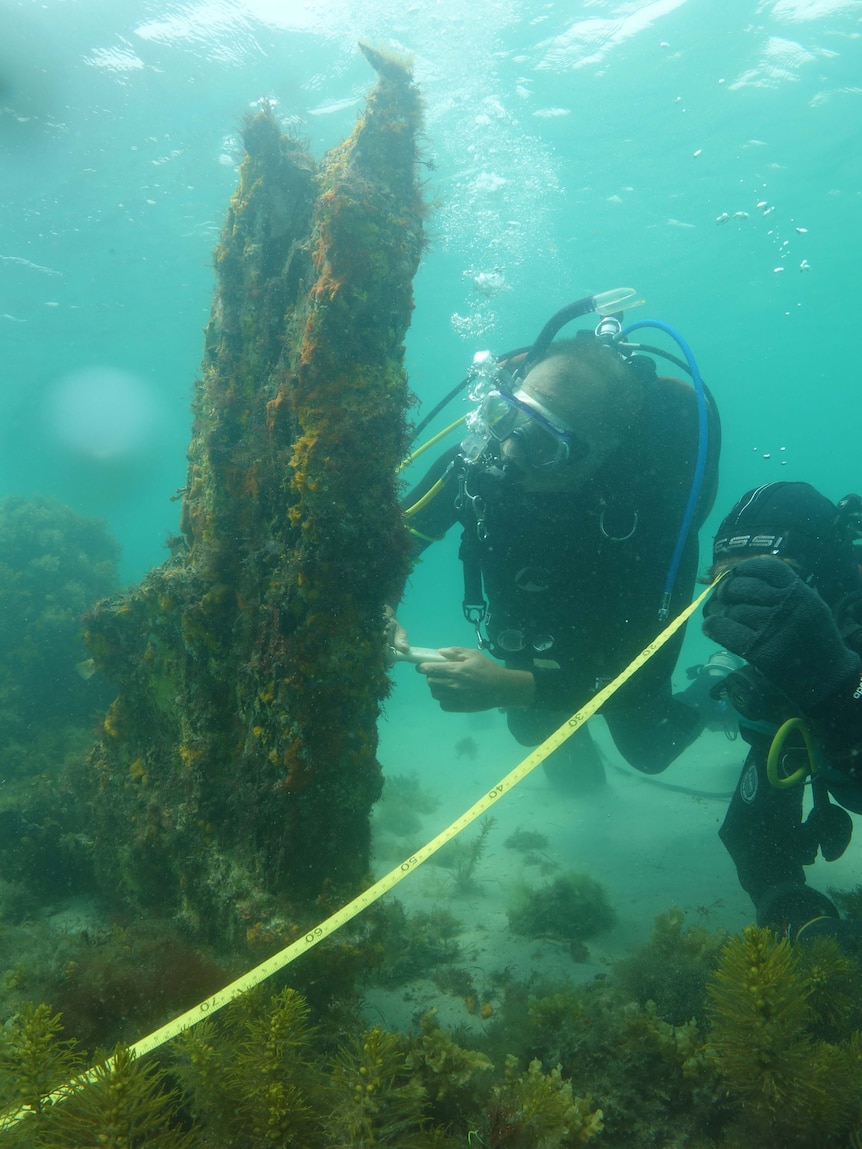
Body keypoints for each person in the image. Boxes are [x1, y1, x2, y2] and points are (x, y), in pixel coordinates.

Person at [390, 294, 722, 787]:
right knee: (530, 731)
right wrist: (380, 601)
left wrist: (509, 684)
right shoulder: (478, 465)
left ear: (601, 453)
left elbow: (633, 680)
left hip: (613, 646)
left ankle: (718, 684)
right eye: (508, 418)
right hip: (532, 629)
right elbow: (395, 544)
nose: (511, 451)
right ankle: (581, 773)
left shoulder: (641, 520)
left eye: (545, 442)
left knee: (650, 749)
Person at [701, 480, 862, 945]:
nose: (746, 604)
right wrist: (807, 928)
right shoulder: (776, 673)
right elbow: (753, 837)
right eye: (724, 583)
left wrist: (839, 688)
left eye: (772, 579)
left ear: (829, 575)